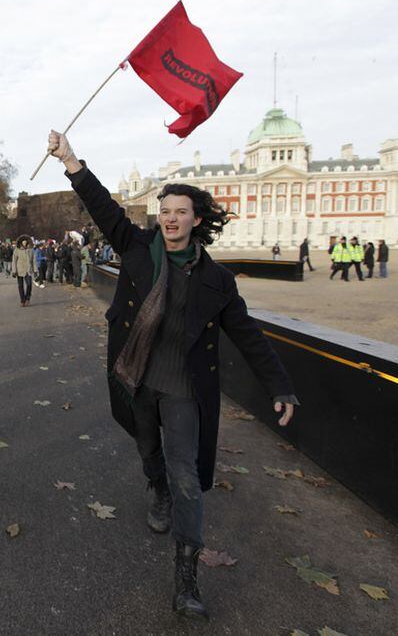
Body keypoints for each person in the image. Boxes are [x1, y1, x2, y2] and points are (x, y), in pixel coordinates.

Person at [48, 129, 298, 623]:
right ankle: (153, 485)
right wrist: (70, 158)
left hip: (184, 387)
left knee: (187, 479)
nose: (170, 217)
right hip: (137, 375)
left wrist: (280, 384)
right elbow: (104, 209)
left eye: (180, 210)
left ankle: (186, 576)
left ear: (196, 219)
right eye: (165, 210)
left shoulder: (217, 281)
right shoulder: (139, 248)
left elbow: (248, 335)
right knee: (148, 451)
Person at [12, 235, 35, 306]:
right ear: (21, 242)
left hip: (28, 270)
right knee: (20, 286)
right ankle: (22, 300)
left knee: (29, 285)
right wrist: (14, 271)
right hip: (19, 270)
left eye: (26, 242)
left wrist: (35, 270)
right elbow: (14, 261)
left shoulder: (31, 250)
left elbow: (33, 260)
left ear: (27, 242)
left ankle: (27, 298)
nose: (24, 243)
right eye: (23, 242)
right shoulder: (17, 250)